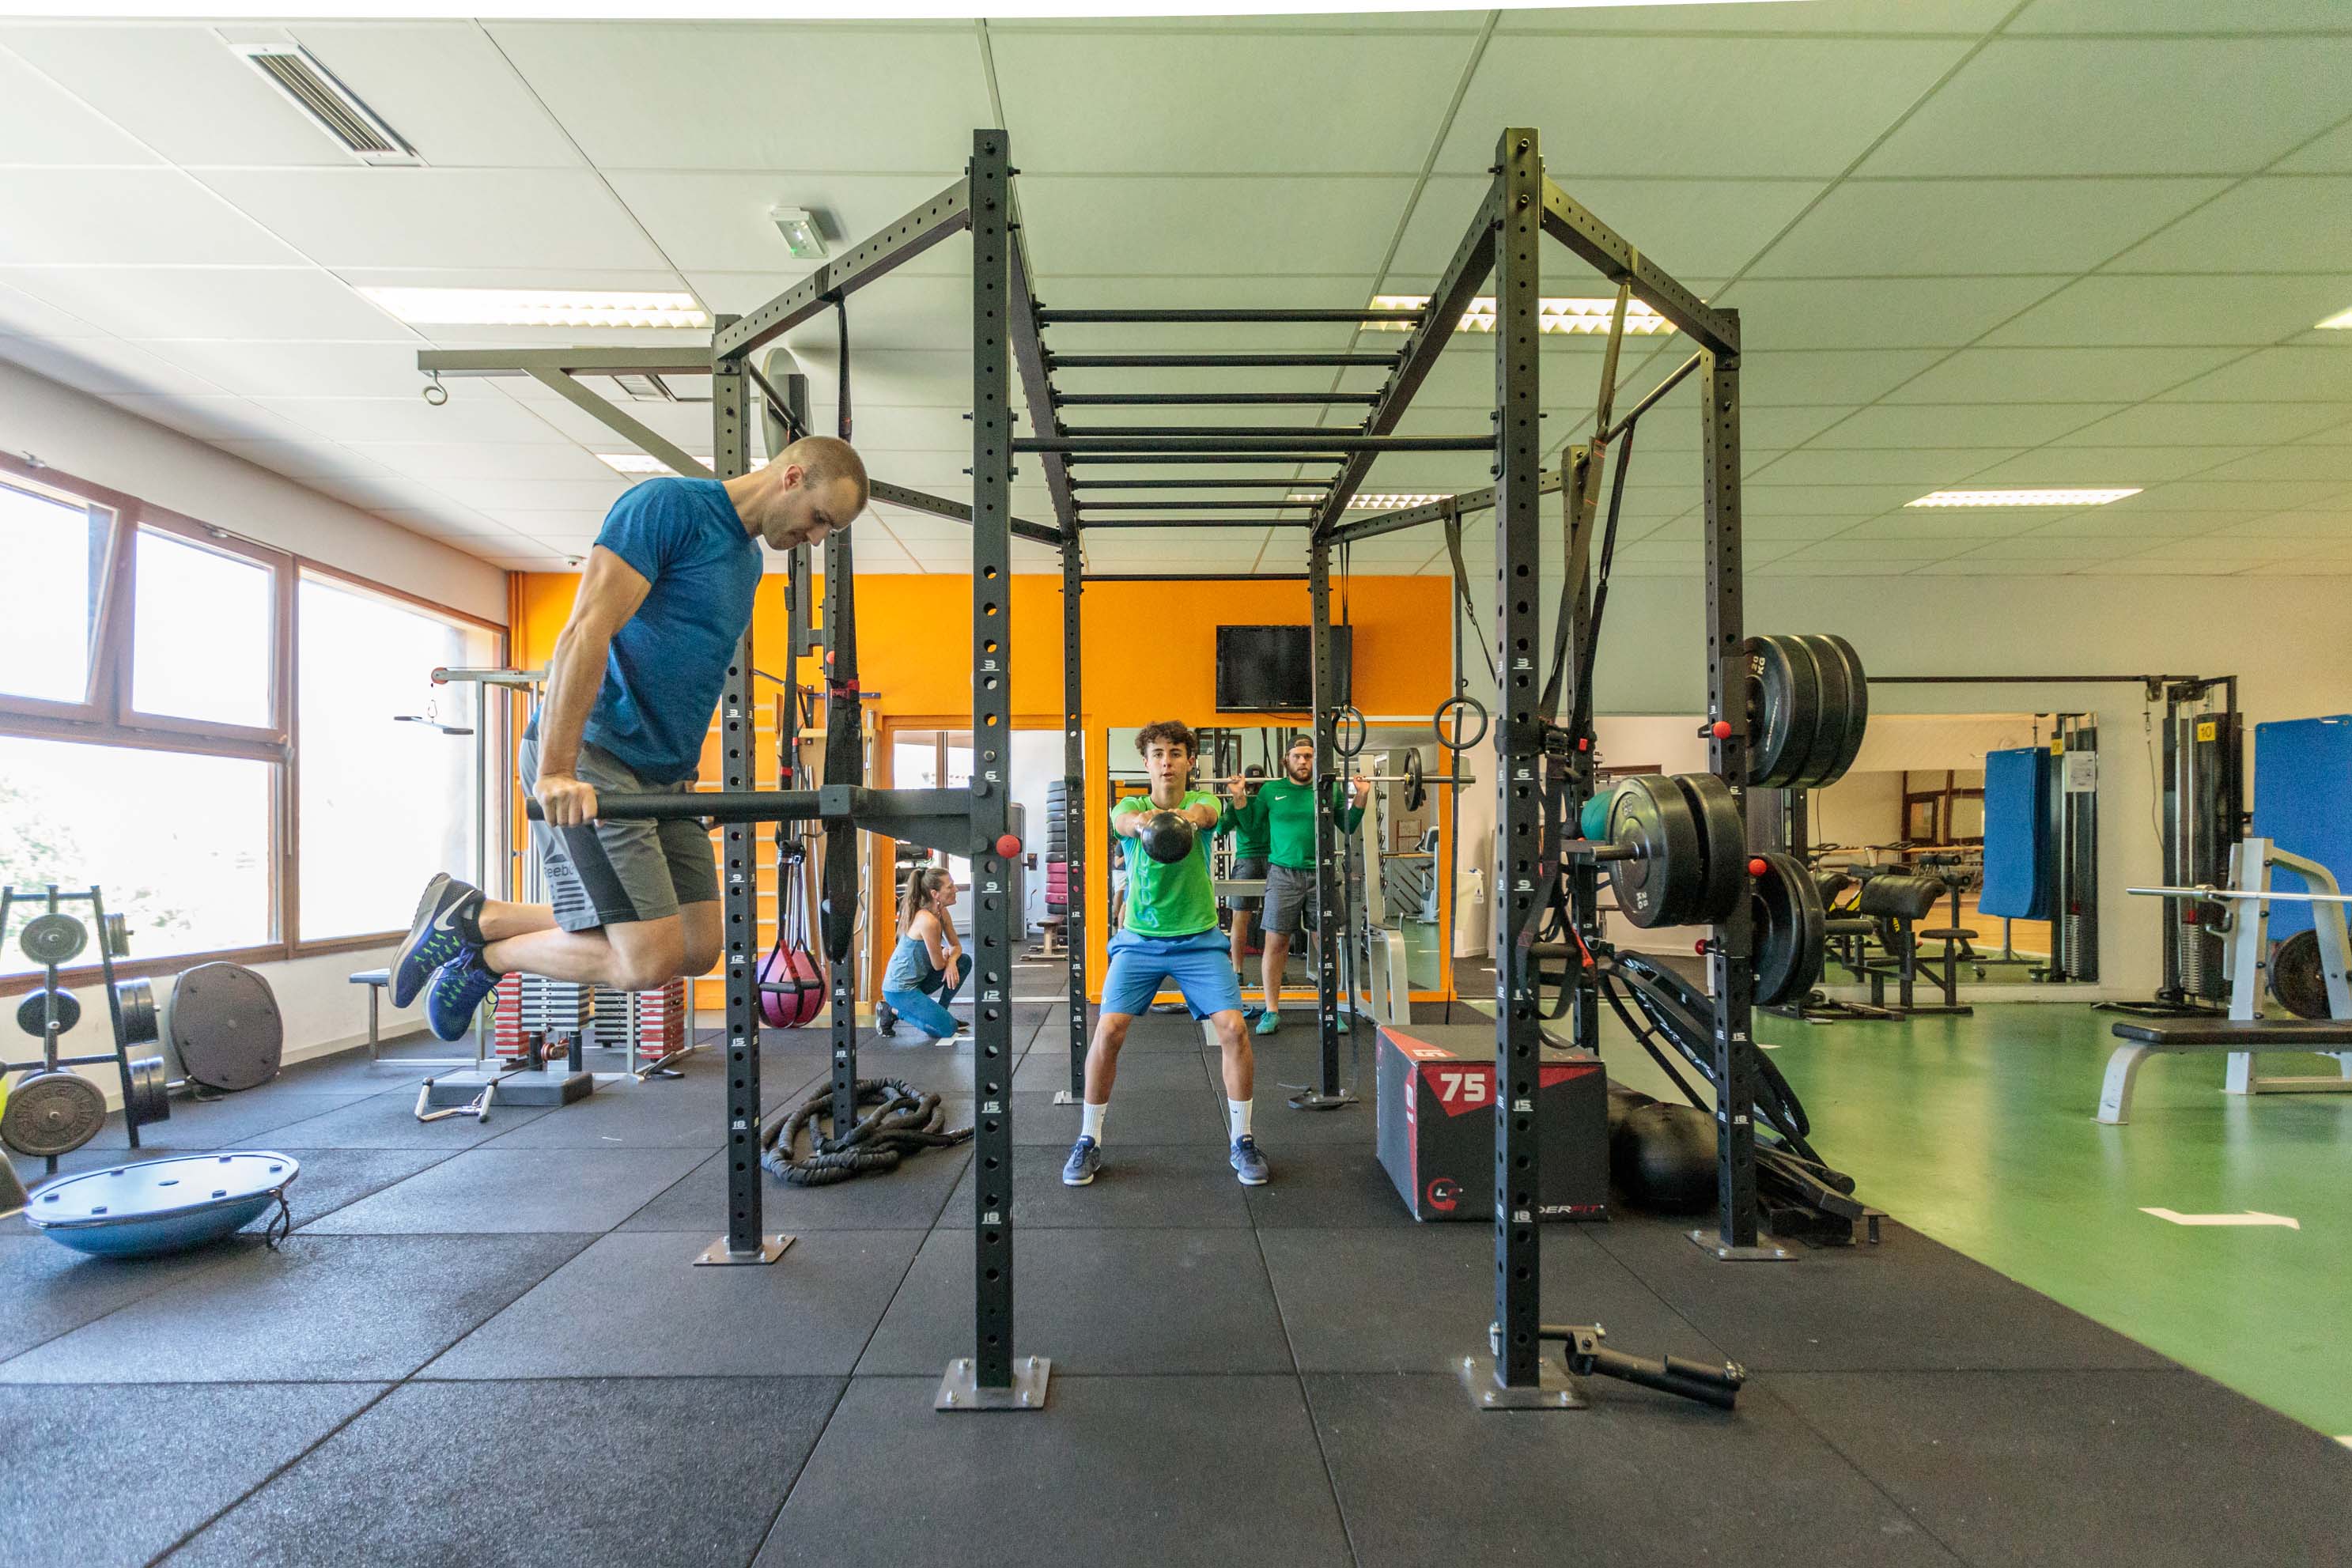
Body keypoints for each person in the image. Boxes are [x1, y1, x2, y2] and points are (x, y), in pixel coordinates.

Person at [386, 437, 871, 1041]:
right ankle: (490, 953)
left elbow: (683, 671)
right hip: (597, 755)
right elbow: (586, 630)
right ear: (791, 477)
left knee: (697, 945)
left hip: (663, 777)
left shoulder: (746, 562)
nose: (817, 537)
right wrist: (557, 768)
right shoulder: (667, 508)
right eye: (820, 518)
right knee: (645, 959)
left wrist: (683, 782)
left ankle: (474, 919)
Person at [1064, 721, 1266, 1188]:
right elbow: (1124, 822)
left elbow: (1207, 814)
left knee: (1234, 1029)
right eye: (1158, 754)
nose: (1167, 761)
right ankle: (1087, 1140)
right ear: (1147, 762)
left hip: (1198, 939)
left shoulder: (1206, 803)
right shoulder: (1130, 806)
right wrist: (1147, 824)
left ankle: (1244, 1139)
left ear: (1190, 761)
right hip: (1139, 940)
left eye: (1176, 753)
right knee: (1109, 1030)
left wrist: (1187, 821)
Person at [1227, 735, 1370, 1035]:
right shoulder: (1270, 791)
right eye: (1297, 756)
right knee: (1276, 943)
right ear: (1286, 761)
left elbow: (1348, 825)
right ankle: (1271, 1011)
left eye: (1308, 756)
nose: (1303, 761)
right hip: (1282, 875)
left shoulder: (1326, 790)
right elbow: (1252, 827)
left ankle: (1331, 1009)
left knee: (1326, 943)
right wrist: (1239, 796)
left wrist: (1361, 796)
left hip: (1322, 873)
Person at [879, 865, 971, 1041]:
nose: (956, 889)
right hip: (900, 990)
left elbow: (957, 947)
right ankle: (892, 1011)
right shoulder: (927, 920)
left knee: (963, 962)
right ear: (935, 894)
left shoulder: (941, 912)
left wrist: (951, 960)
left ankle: (942, 1013)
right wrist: (946, 955)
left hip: (919, 980)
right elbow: (937, 964)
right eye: (950, 887)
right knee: (947, 1030)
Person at [1223, 763, 1270, 998]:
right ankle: (1275, 972)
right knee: (1275, 921)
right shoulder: (1272, 801)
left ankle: (1237, 972)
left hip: (1251, 861)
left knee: (1241, 919)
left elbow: (1221, 828)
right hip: (1273, 860)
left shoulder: (1237, 803)